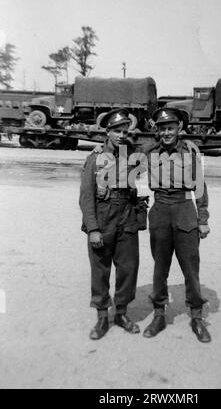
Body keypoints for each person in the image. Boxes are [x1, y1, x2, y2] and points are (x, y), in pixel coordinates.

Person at [142, 107, 212, 343]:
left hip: (184, 210)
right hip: (160, 210)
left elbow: (200, 188)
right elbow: (125, 171)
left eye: (170, 128)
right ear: (157, 131)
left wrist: (203, 220)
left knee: (191, 269)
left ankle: (197, 316)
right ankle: (159, 314)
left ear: (179, 128)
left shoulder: (190, 152)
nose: (166, 133)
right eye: (162, 129)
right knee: (160, 268)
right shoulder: (149, 152)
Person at [79, 109, 141, 340]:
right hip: (103, 219)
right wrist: (93, 229)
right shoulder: (94, 158)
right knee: (100, 270)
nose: (121, 135)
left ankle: (122, 313)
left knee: (128, 268)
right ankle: (102, 317)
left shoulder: (131, 155)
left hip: (126, 217)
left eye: (125, 131)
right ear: (107, 132)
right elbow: (86, 197)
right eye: (116, 131)